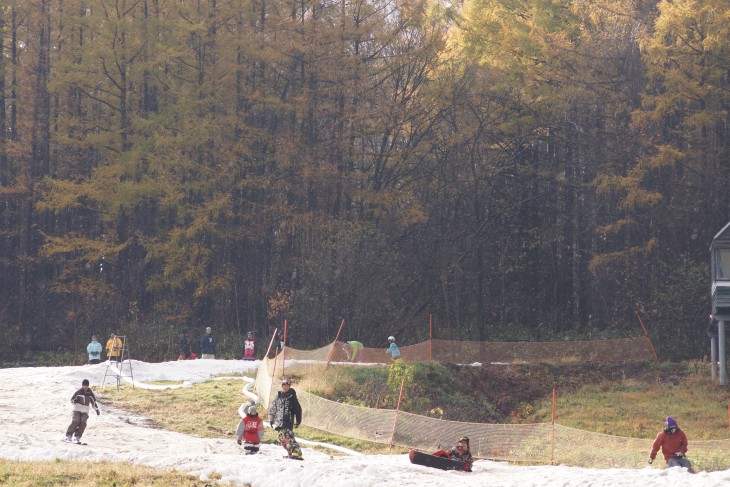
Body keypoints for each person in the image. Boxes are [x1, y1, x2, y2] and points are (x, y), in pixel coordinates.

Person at [268, 377, 303, 459]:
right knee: (281, 438)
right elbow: (273, 408)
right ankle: (290, 453)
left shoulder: (292, 397)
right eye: (284, 385)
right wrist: (271, 420)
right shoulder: (278, 396)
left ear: (289, 386)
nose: (285, 387)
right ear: (282, 386)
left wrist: (298, 421)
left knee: (289, 437)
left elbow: (298, 409)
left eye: (287, 385)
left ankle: (297, 453)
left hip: (288, 421)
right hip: (279, 421)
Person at [65, 379, 100, 443]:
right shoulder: (79, 392)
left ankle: (77, 436)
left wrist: (97, 410)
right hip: (77, 409)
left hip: (85, 410)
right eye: (84, 385)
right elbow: (72, 400)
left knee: (83, 422)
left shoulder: (90, 394)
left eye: (87, 385)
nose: (86, 386)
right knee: (76, 420)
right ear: (82, 385)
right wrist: (74, 401)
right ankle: (68, 435)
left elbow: (94, 403)